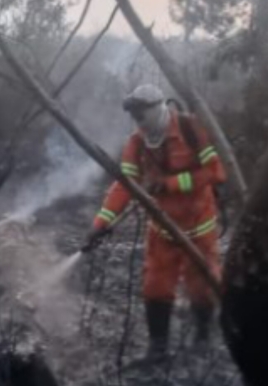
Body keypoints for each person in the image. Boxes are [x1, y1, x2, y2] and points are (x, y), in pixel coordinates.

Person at [86, 84, 226, 363]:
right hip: (162, 231)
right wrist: (101, 222)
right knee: (155, 287)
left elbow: (216, 172)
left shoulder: (190, 128)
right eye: (134, 114)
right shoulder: (137, 143)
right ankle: (158, 349)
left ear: (157, 107)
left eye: (141, 112)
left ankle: (202, 336)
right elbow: (124, 186)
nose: (138, 119)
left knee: (201, 286)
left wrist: (171, 184)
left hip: (199, 229)